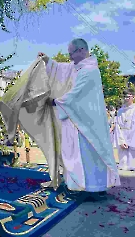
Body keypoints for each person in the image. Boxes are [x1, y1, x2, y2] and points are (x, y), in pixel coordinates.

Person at [38, 38, 120, 199]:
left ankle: (85, 188)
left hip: (85, 123)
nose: (70, 58)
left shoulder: (89, 71)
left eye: (71, 54)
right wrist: (47, 60)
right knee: (89, 155)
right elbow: (61, 69)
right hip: (83, 120)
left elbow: (76, 96)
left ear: (82, 50)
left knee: (83, 155)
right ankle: (95, 187)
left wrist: (54, 101)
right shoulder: (80, 67)